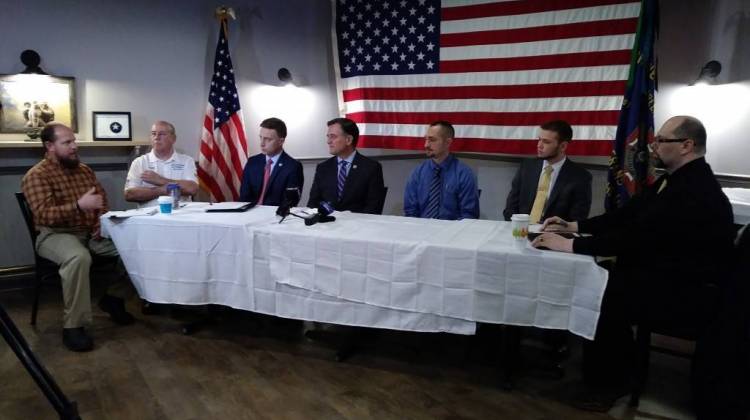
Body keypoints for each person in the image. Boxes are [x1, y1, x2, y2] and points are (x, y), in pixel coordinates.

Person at [532, 116, 736, 411]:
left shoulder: (693, 189)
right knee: (601, 279)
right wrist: (574, 225)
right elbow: (627, 216)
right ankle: (612, 370)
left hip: (687, 291)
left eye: (662, 141)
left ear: (687, 145)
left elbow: (636, 237)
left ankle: (607, 384)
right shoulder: (675, 178)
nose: (653, 147)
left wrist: (570, 245)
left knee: (599, 291)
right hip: (664, 273)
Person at [21, 123, 135, 352]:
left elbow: (101, 201)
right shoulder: (36, 176)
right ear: (50, 146)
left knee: (135, 248)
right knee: (78, 257)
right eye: (67, 143)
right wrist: (77, 206)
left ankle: (113, 297)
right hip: (54, 235)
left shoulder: (84, 170)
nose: (75, 146)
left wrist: (100, 223)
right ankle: (73, 326)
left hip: (89, 232)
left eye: (74, 141)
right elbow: (44, 215)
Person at [503, 120, 592, 223]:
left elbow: (577, 218)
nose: (539, 145)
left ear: (563, 146)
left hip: (554, 235)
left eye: (546, 142)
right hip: (520, 229)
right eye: (539, 140)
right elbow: (511, 207)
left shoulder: (581, 177)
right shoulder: (527, 167)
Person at [403, 121, 479, 219]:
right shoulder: (417, 173)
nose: (426, 145)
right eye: (426, 139)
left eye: (432, 140)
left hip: (452, 231)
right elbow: (410, 211)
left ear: (448, 142)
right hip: (420, 229)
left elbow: (469, 215)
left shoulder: (464, 174)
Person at [307, 117, 385, 214]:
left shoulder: (371, 168)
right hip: (326, 225)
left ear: (348, 140)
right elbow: (312, 204)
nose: (328, 141)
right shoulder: (323, 168)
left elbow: (374, 208)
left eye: (333, 136)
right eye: (328, 136)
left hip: (358, 226)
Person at [124, 121, 198, 207]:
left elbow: (192, 189)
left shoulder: (186, 161)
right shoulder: (139, 162)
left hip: (181, 215)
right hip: (149, 217)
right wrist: (162, 190)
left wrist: (160, 180)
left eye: (162, 134)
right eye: (153, 134)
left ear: (173, 138)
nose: (156, 137)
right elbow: (129, 194)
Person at [239, 117, 304, 206]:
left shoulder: (293, 167)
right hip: (250, 214)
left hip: (275, 217)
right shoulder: (252, 162)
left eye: (268, 139)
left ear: (281, 141)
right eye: (261, 137)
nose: (262, 143)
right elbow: (244, 197)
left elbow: (290, 202)